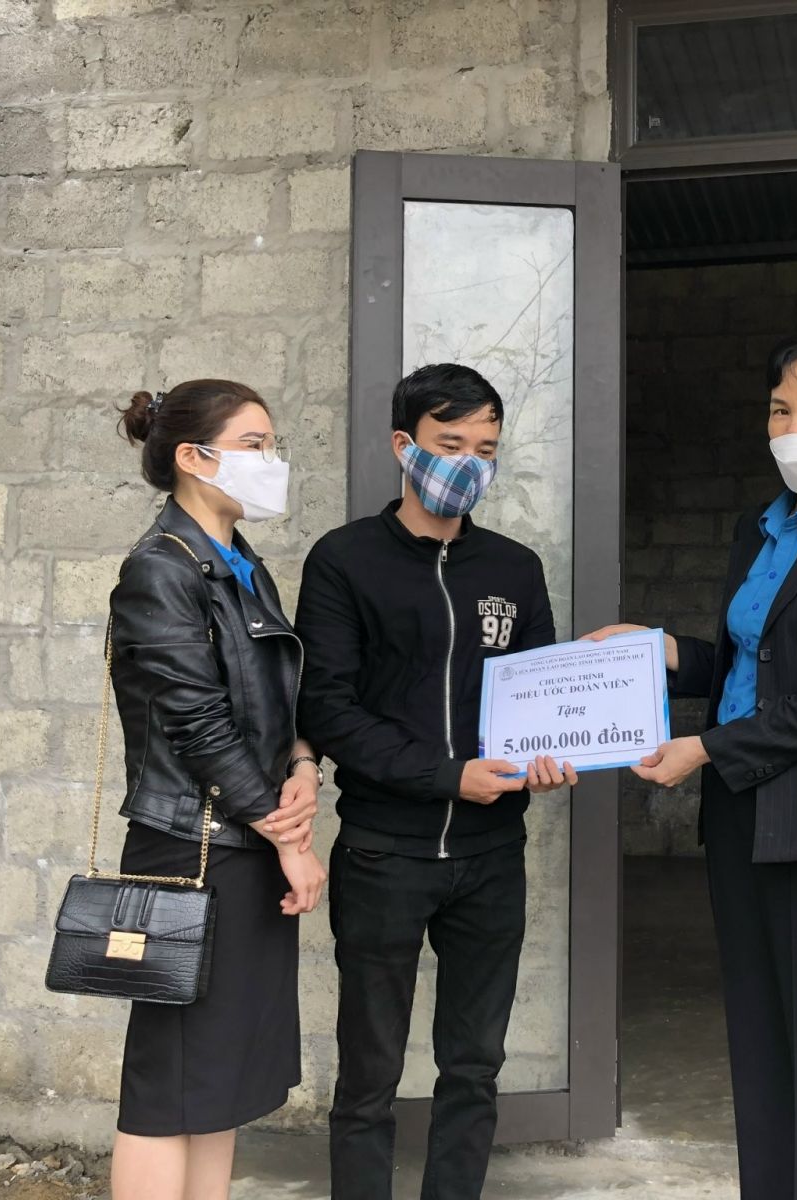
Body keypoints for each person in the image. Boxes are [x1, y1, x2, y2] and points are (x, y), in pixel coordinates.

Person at [585, 331, 797, 1200]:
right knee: (760, 1040)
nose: (795, 427)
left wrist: (706, 748)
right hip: (741, 813)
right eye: (781, 409)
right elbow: (753, 666)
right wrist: (661, 650)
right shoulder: (758, 527)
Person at [295, 363, 575, 1200]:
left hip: (491, 858)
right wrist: (449, 777)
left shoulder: (514, 568)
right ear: (404, 445)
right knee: (369, 1073)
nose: (469, 464)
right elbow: (329, 708)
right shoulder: (344, 560)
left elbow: (538, 695)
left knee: (474, 1066)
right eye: (451, 444)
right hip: (384, 853)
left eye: (485, 449)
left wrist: (549, 754)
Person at [109, 379, 327, 1200]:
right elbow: (198, 724)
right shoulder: (159, 569)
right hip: (192, 847)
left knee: (221, 1075)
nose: (272, 460)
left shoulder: (241, 565)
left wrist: (303, 765)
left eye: (271, 444)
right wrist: (288, 836)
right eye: (254, 444)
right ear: (193, 458)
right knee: (169, 1080)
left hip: (244, 837)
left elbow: (274, 702)